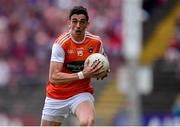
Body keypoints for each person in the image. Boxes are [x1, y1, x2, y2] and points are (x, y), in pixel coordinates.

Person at [41, 6, 109, 126]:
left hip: (80, 93)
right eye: (74, 21)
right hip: (57, 95)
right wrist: (82, 74)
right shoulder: (60, 44)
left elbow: (104, 61)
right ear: (69, 23)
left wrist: (104, 70)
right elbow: (53, 77)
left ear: (87, 24)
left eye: (82, 22)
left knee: (88, 122)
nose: (78, 25)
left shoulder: (96, 42)